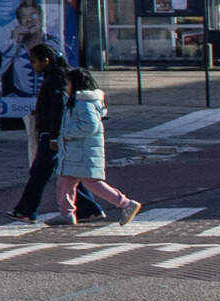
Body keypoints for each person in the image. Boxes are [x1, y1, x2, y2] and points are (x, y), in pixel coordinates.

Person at [46, 68, 139, 226]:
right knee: (66, 182)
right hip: (77, 152)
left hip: (81, 153)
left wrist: (66, 134)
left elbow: (90, 125)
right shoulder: (79, 102)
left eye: (67, 83)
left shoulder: (83, 104)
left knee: (89, 183)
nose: (65, 86)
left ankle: (126, 204)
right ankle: (67, 214)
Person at [9, 43, 68, 224]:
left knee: (39, 173)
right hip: (50, 133)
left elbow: (58, 110)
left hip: (50, 135)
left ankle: (26, 210)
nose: (32, 65)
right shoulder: (53, 77)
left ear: (46, 60)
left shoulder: (55, 79)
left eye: (34, 61)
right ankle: (89, 209)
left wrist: (53, 135)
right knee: (69, 174)